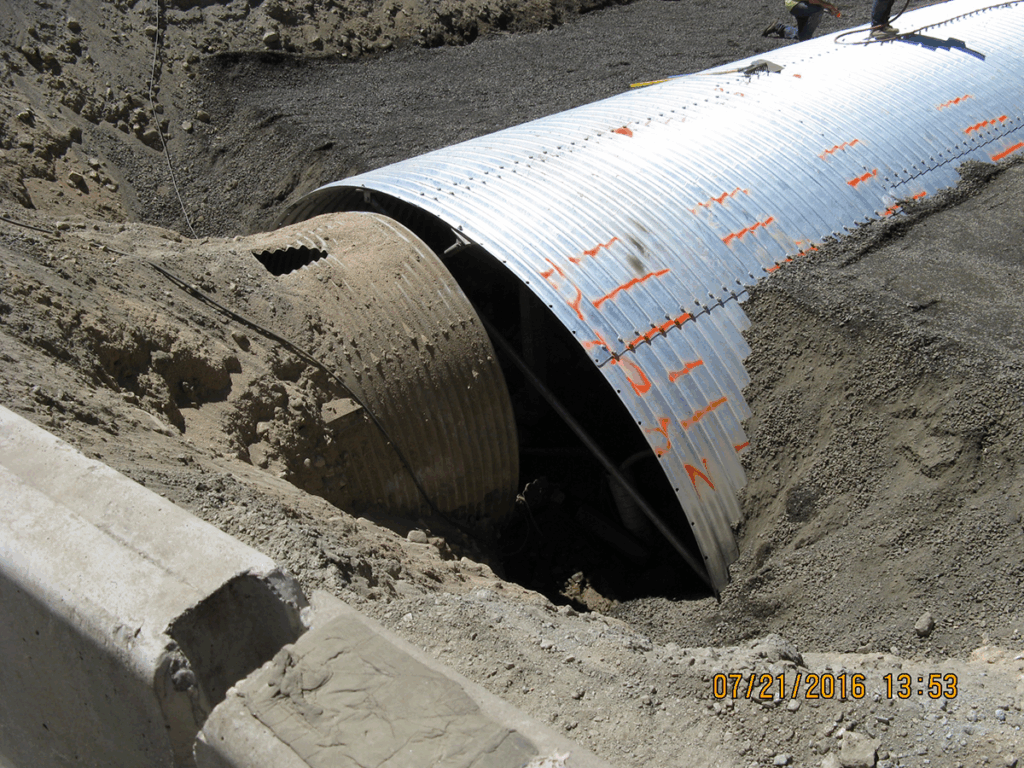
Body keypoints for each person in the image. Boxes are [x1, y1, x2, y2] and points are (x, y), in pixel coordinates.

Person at [763, 0, 841, 42]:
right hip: (795, 4)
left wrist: (828, 7)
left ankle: (779, 28)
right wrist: (829, 6)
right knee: (818, 11)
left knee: (803, 36)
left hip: (801, 3)